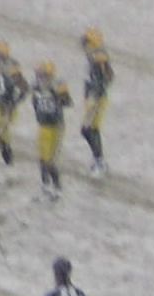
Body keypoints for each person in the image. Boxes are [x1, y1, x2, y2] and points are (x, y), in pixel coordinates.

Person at [27, 64, 72, 201]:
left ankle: (57, 188)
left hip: (56, 127)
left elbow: (68, 103)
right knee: (42, 157)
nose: (40, 78)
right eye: (39, 75)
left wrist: (58, 94)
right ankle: (45, 186)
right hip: (43, 126)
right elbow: (34, 102)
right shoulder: (36, 87)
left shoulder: (57, 87)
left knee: (51, 160)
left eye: (43, 75)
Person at [0, 43, 27, 172]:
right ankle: (8, 161)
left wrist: (14, 102)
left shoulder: (11, 67)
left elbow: (24, 89)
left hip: (6, 107)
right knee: (3, 135)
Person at [77, 30, 114, 177]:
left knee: (88, 129)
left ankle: (99, 161)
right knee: (89, 129)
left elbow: (108, 77)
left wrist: (95, 95)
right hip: (91, 97)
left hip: (96, 99)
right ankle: (97, 159)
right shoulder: (94, 56)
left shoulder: (99, 58)